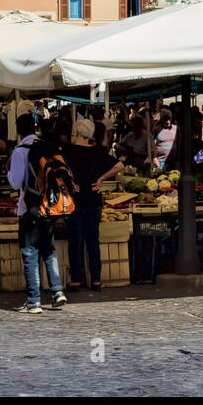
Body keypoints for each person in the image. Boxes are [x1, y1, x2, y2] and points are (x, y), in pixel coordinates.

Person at [8, 114, 67, 314]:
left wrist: (9, 173)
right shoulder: (45, 146)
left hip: (30, 208)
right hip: (49, 206)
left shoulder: (19, 151)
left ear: (17, 130)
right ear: (34, 127)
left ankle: (33, 301)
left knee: (30, 252)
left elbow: (15, 182)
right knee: (48, 249)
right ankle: (58, 292)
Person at [63, 119, 125, 291]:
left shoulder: (68, 151)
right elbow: (119, 165)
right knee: (92, 240)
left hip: (74, 201)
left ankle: (76, 279)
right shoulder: (99, 151)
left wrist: (68, 181)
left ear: (78, 133)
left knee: (75, 240)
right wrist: (102, 178)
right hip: (94, 200)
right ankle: (96, 279)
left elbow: (56, 168)